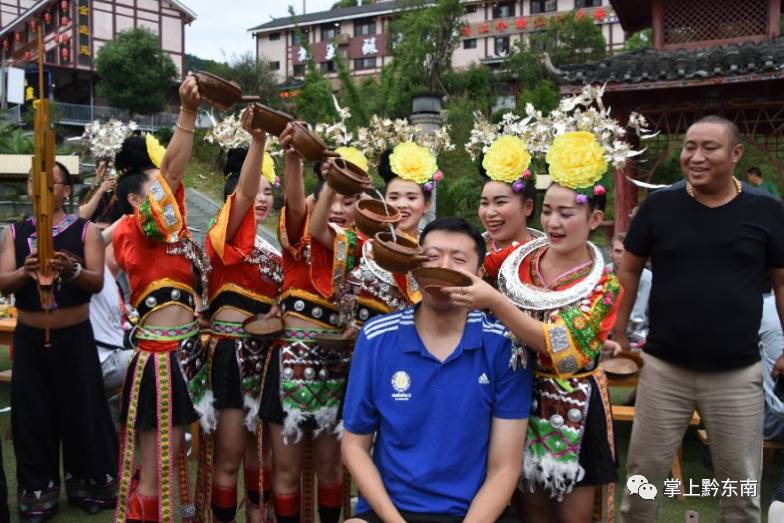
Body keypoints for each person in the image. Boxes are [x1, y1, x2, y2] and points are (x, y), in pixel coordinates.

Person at [615, 116, 784, 522]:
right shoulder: (660, 205)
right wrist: (617, 332)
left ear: (736, 154)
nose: (696, 156)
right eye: (690, 146)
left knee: (740, 490)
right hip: (663, 369)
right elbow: (629, 270)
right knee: (642, 484)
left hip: (737, 374)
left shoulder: (765, 210)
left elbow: (782, 283)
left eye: (710, 147)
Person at [342, 217, 532, 523]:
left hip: (474, 515)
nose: (442, 268)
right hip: (393, 514)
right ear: (415, 266)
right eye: (431, 257)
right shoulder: (377, 337)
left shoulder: (504, 345)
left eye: (458, 259)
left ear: (479, 274)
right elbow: (354, 446)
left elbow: (505, 466)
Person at [111, 76, 210, 523]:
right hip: (159, 360)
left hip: (187, 355)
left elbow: (170, 178)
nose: (166, 193)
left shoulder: (175, 229)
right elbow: (171, 173)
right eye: (154, 188)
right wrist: (187, 114)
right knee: (157, 465)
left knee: (177, 460)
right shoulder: (134, 231)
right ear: (135, 199)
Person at [0, 161, 118, 520]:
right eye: (35, 181)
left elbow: (96, 281)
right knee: (32, 416)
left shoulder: (86, 231)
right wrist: (26, 271)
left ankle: (90, 486)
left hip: (75, 338)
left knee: (83, 412)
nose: (42, 188)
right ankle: (39, 494)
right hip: (31, 337)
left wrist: (73, 270)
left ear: (67, 189)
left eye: (51, 182)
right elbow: (3, 281)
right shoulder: (15, 232)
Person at [259, 122, 364, 523]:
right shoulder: (297, 237)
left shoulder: (359, 250)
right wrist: (293, 158)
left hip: (336, 366)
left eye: (348, 202)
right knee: (285, 469)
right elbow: (299, 207)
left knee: (331, 468)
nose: (339, 207)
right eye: (330, 199)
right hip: (288, 364)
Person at [195, 109, 282, 523]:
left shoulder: (272, 249)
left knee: (261, 457)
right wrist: (259, 142)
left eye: (269, 192)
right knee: (229, 456)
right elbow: (244, 197)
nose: (263, 198)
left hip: (266, 358)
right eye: (256, 191)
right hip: (231, 356)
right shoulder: (222, 232)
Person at [466, 119, 544, 253]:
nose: (489, 212)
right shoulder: (469, 255)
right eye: (484, 203)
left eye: (500, 202)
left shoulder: (547, 259)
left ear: (527, 207)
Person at [609, 233, 651, 342]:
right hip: (607, 331)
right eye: (618, 251)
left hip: (637, 333)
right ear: (610, 252)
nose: (622, 257)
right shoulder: (604, 273)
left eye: (626, 252)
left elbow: (638, 317)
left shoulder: (646, 278)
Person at [79, 160, 122, 227]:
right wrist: (101, 190)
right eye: (103, 167)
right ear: (96, 170)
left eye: (110, 167)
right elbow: (83, 216)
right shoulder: (87, 191)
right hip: (93, 232)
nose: (106, 170)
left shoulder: (123, 191)